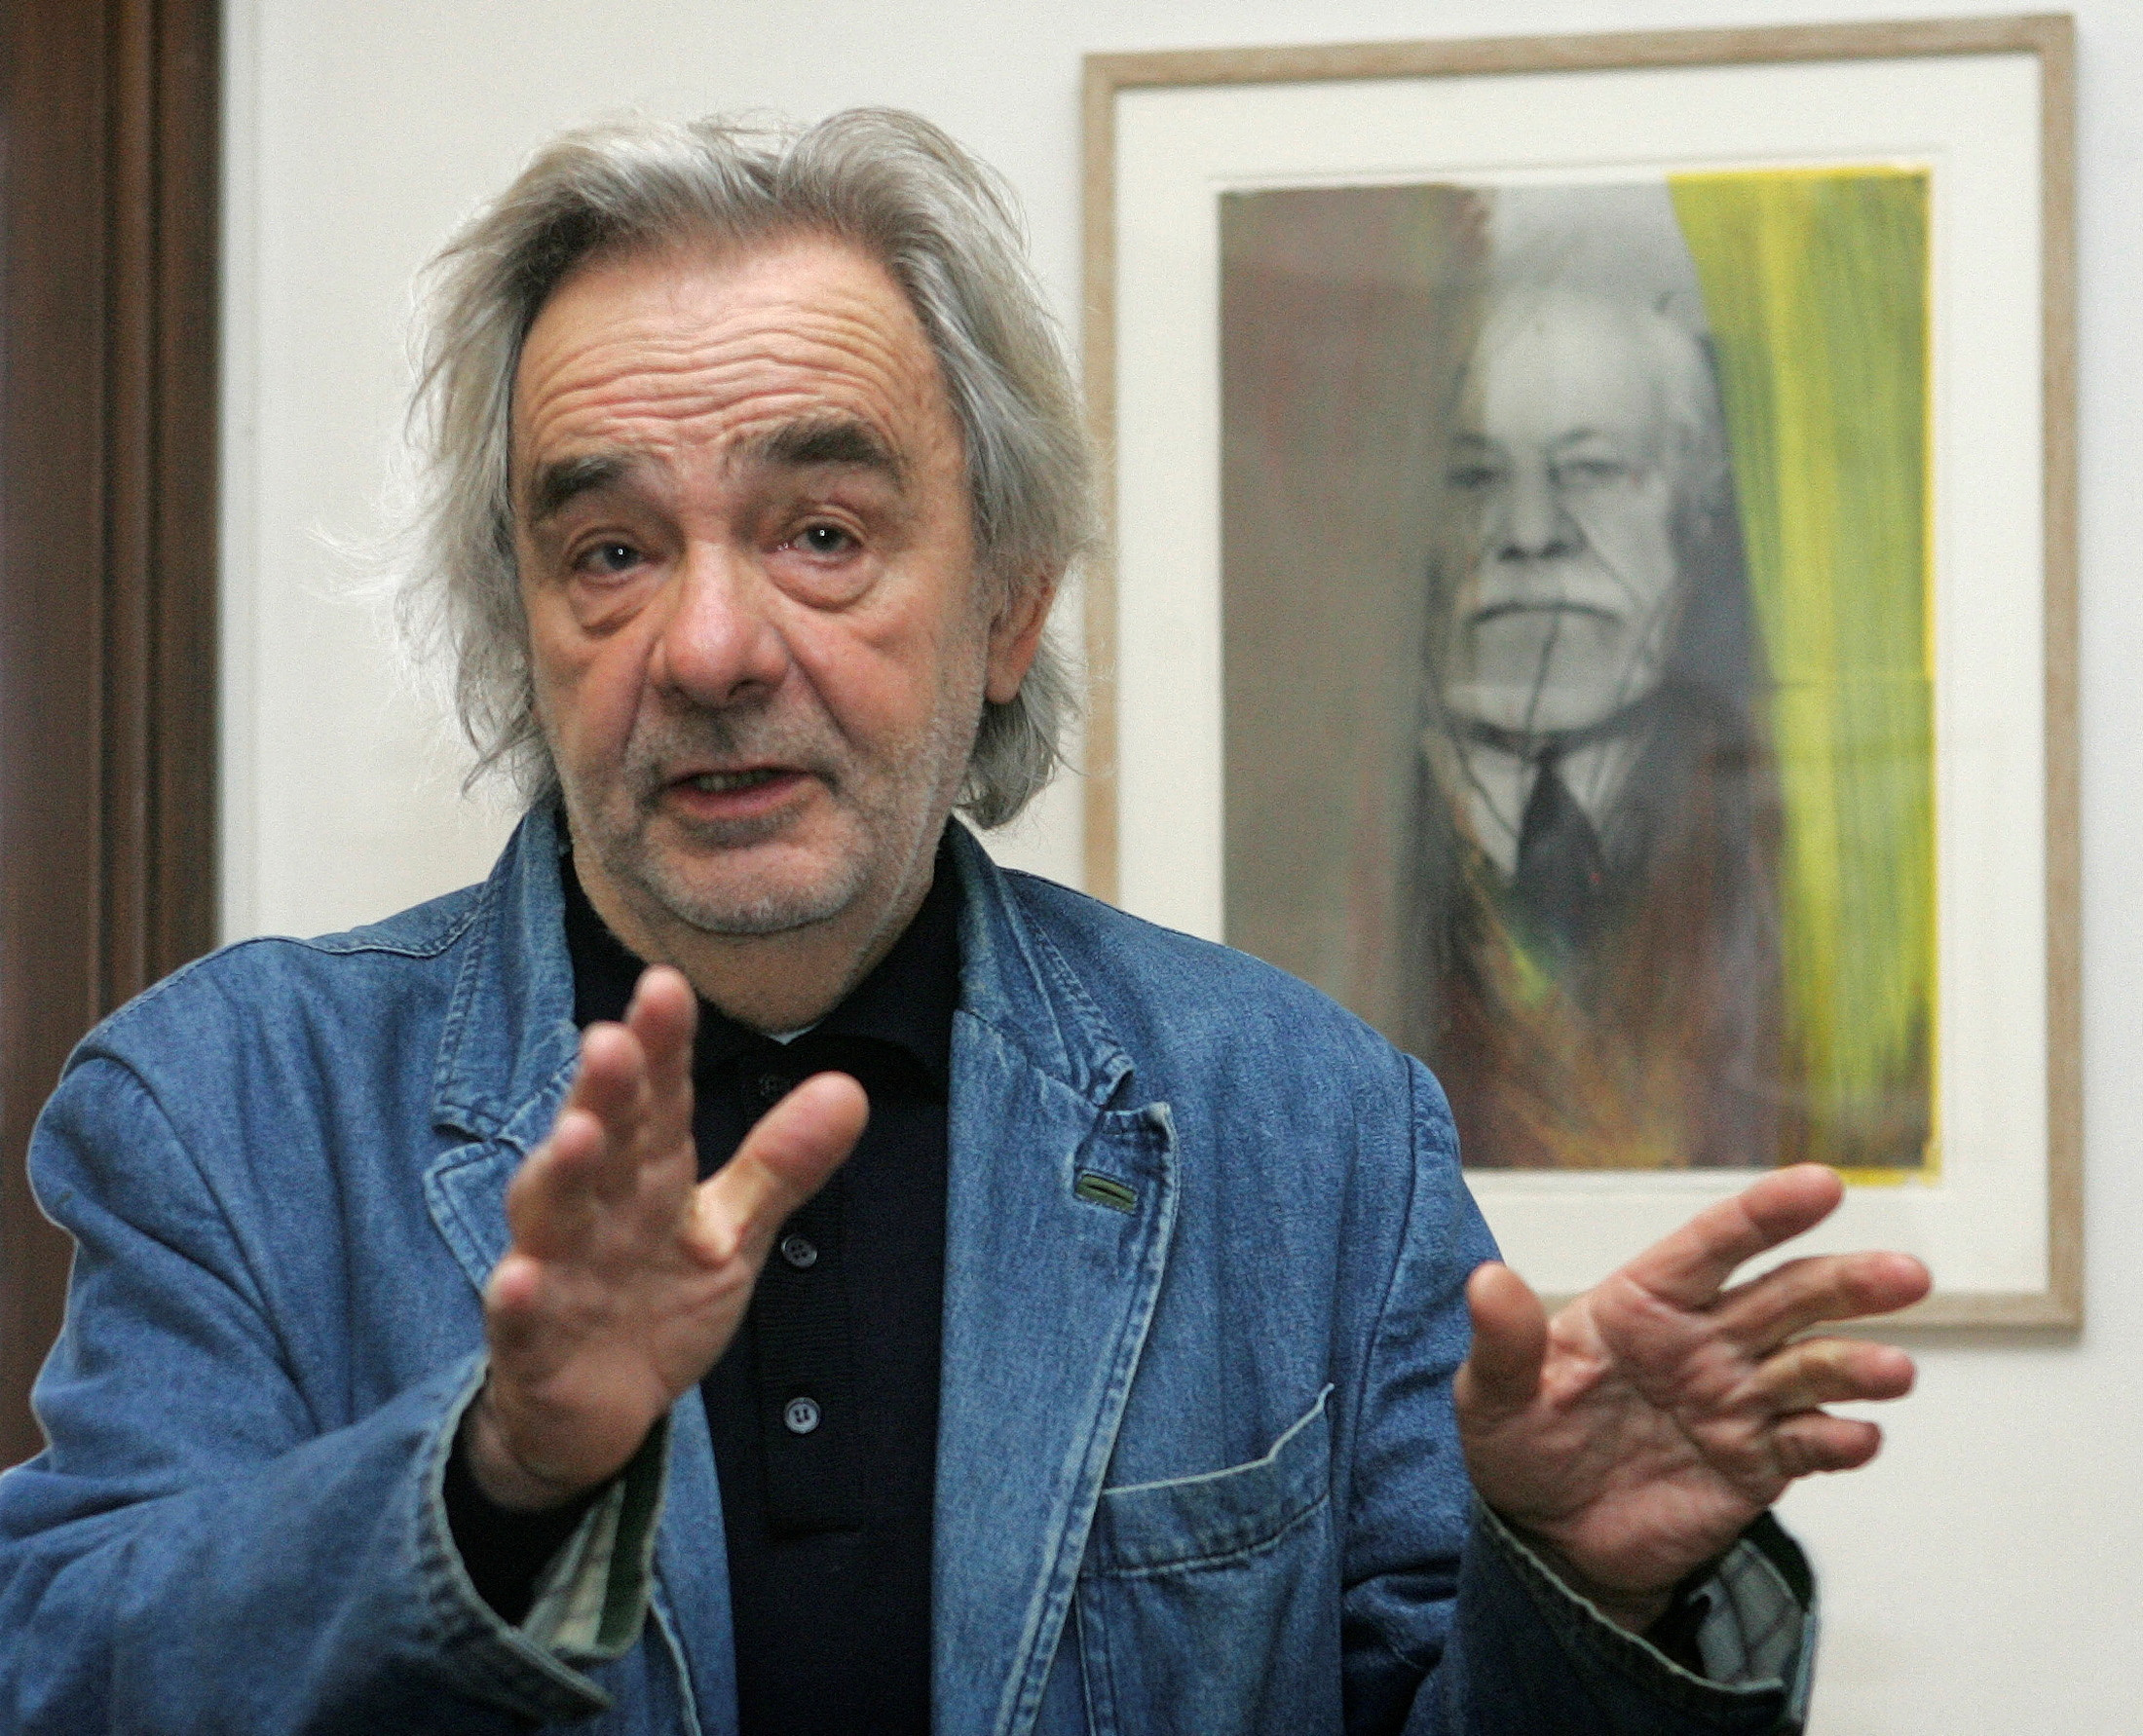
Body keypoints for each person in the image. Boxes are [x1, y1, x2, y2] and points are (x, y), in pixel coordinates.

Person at [0, 112, 1927, 1734]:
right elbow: (62, 1666)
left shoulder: (1302, 1127)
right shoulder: (233, 1112)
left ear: (1005, 604)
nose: (710, 645)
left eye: (821, 532)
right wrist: (495, 1483)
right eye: (607, 550)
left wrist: (1573, 1587)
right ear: (524, 628)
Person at [1408, 274, 1785, 1170]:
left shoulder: (1782, 816)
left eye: (1590, 470)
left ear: (1695, 509)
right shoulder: (1329, 827)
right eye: (1474, 476)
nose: (1531, 533)